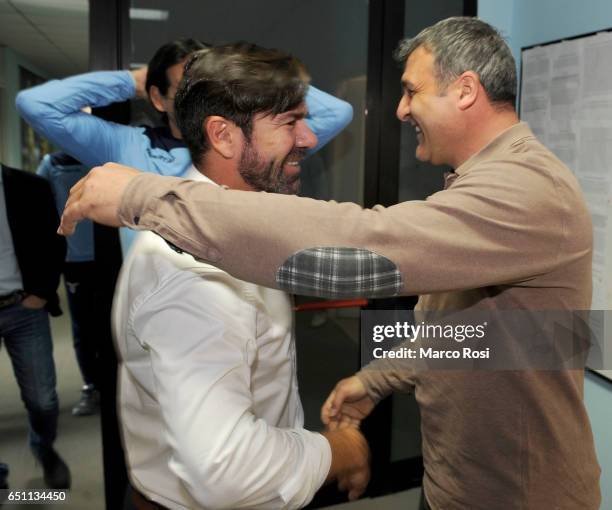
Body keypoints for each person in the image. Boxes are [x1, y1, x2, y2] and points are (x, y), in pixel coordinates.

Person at [58, 17, 601, 509]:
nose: (400, 108)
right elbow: (505, 334)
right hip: (456, 483)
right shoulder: (481, 185)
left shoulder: (527, 192)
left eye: (411, 91)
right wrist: (377, 380)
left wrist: (148, 197)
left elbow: (364, 250)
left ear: (465, 91)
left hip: (521, 495)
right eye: (291, 121)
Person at [112, 43, 369, 510]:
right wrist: (339, 451)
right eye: (290, 121)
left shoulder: (235, 231)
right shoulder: (192, 271)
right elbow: (225, 469)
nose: (309, 138)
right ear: (224, 136)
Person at [16, 39, 353, 252]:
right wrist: (132, 81)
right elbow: (38, 105)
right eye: (184, 89)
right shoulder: (127, 145)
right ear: (157, 99)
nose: (199, 98)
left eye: (208, 86)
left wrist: (250, 76)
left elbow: (337, 113)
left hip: (245, 281)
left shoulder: (247, 145)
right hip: (163, 293)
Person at [0, 163, 69, 489]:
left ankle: (44, 447)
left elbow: (54, 240)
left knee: (43, 399)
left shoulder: (29, 186)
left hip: (23, 307)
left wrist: (41, 292)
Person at [37, 152, 99, 416]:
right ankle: (92, 386)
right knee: (82, 327)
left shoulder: (96, 156)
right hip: (74, 258)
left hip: (105, 255)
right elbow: (37, 202)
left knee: (111, 322)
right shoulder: (51, 165)